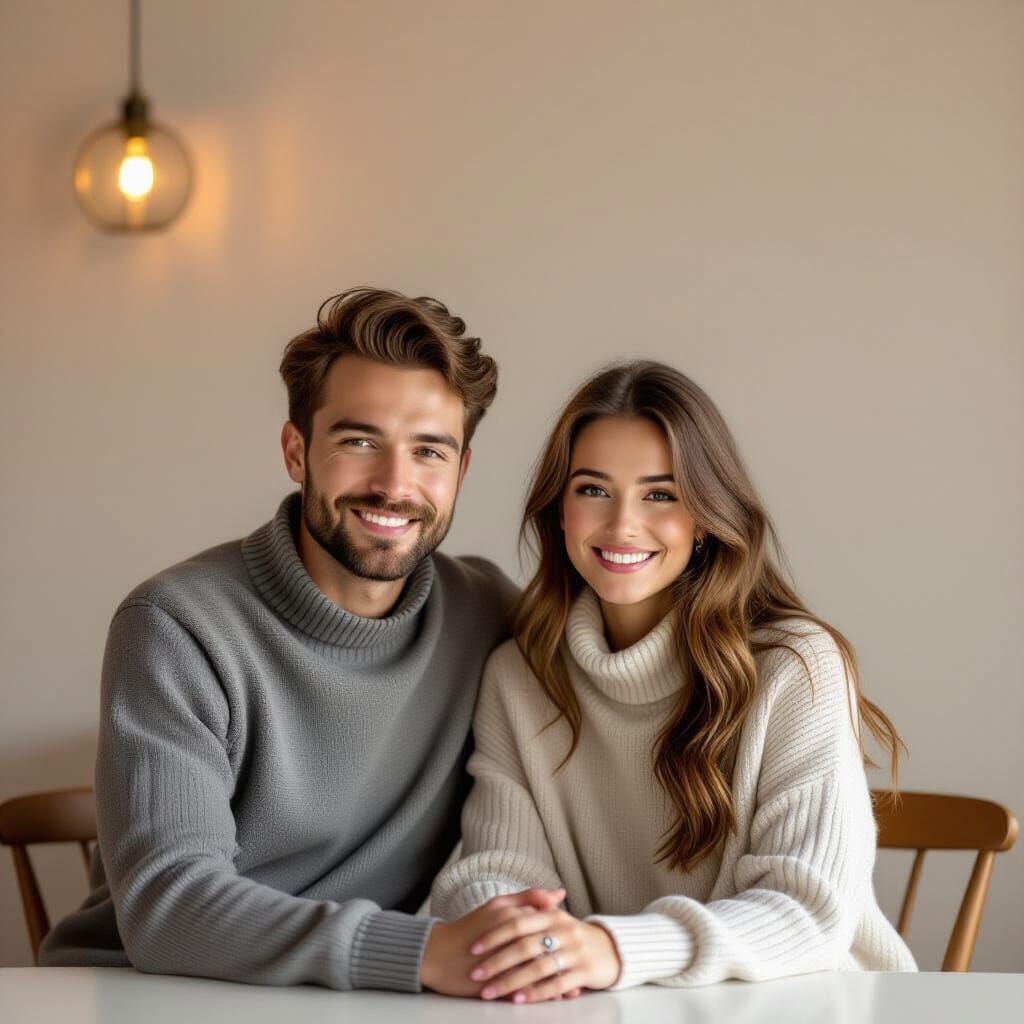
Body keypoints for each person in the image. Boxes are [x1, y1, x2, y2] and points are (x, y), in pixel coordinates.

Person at [40, 286, 560, 994]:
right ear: (296, 450)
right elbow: (170, 906)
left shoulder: (487, 611)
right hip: (147, 994)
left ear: (461, 471)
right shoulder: (176, 624)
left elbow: (631, 666)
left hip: (342, 1000)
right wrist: (424, 953)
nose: (394, 485)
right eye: (359, 441)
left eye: (429, 452)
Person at [431, 360, 917, 1003]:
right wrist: (519, 934)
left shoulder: (795, 666)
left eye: (661, 494)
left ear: (707, 515)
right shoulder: (520, 677)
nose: (623, 525)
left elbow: (807, 911)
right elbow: (495, 870)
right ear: (559, 510)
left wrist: (609, 948)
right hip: (620, 1006)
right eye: (593, 490)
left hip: (814, 1004)